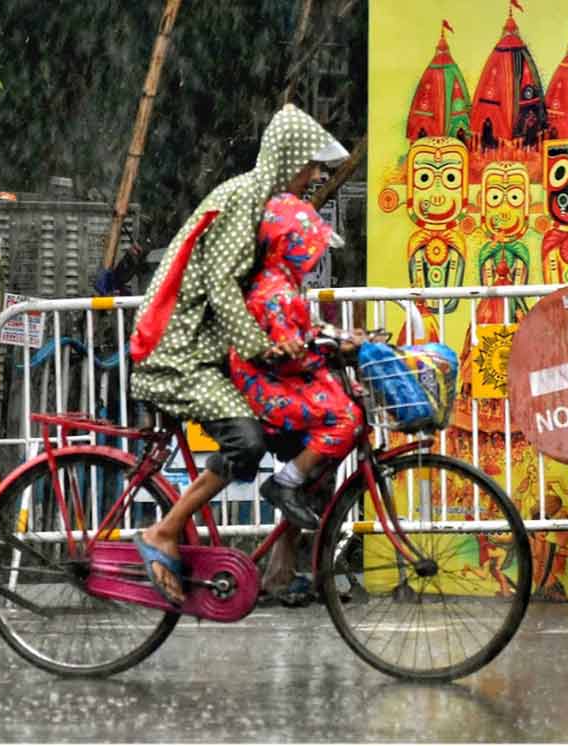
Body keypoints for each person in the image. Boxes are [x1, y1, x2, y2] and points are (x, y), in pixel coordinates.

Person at [128, 103, 350, 605]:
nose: (315, 177)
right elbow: (223, 286)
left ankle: (280, 569)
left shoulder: (260, 203)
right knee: (246, 440)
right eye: (312, 167)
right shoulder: (244, 198)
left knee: (300, 438)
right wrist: (261, 347)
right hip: (179, 352)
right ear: (291, 159)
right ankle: (164, 530)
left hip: (210, 351)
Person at [227, 192, 365, 529]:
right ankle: (285, 483)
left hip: (275, 380)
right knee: (347, 417)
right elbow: (291, 351)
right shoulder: (278, 294)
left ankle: (289, 546)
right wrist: (330, 348)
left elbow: (306, 332)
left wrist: (341, 336)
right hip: (267, 386)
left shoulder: (278, 283)